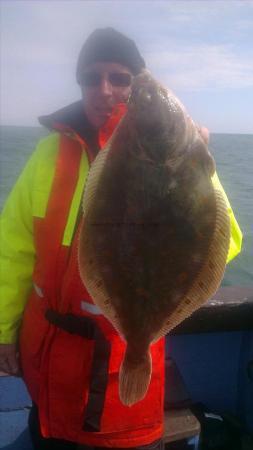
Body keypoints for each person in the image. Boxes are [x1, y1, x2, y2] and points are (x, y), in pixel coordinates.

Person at [0, 28, 242, 450]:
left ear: (133, 86)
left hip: (118, 379)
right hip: (48, 374)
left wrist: (203, 169)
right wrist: (4, 330)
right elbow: (13, 249)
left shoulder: (190, 159)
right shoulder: (47, 155)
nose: (105, 90)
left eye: (120, 78)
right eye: (92, 78)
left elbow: (227, 243)